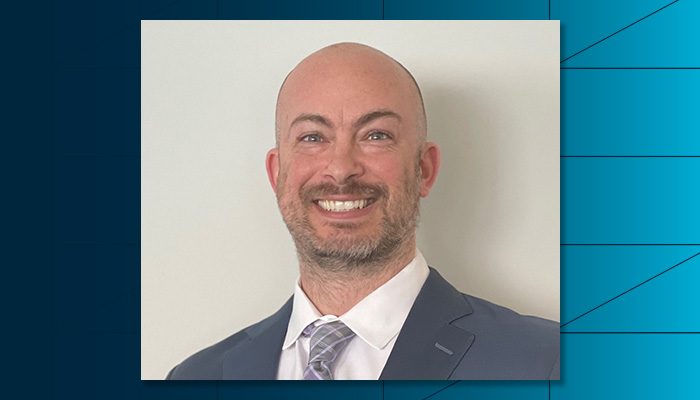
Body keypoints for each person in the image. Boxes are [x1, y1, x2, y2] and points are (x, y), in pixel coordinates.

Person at [167, 42, 559, 380]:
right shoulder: (196, 378)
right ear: (277, 173)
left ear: (424, 169)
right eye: (312, 137)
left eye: (376, 136)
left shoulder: (546, 362)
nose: (340, 168)